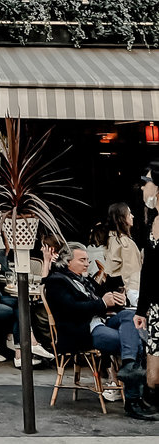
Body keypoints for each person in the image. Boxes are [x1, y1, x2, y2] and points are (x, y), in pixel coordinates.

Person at [44, 242, 157, 421]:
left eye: (87, 260)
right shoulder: (56, 281)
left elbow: (104, 299)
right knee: (131, 341)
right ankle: (133, 401)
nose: (87, 264)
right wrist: (103, 302)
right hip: (82, 330)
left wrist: (116, 299)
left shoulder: (85, 280)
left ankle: (129, 366)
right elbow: (71, 310)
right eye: (82, 260)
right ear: (67, 262)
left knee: (130, 315)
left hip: (101, 322)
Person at [135, 163, 159, 410]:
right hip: (155, 306)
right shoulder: (152, 221)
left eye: (146, 181)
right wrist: (142, 309)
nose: (143, 187)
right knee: (153, 371)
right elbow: (148, 271)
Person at [105, 202, 142, 298]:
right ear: (121, 218)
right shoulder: (125, 242)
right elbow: (132, 273)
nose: (132, 216)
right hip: (125, 292)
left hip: (112, 290)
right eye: (129, 214)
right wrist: (134, 296)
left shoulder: (111, 238)